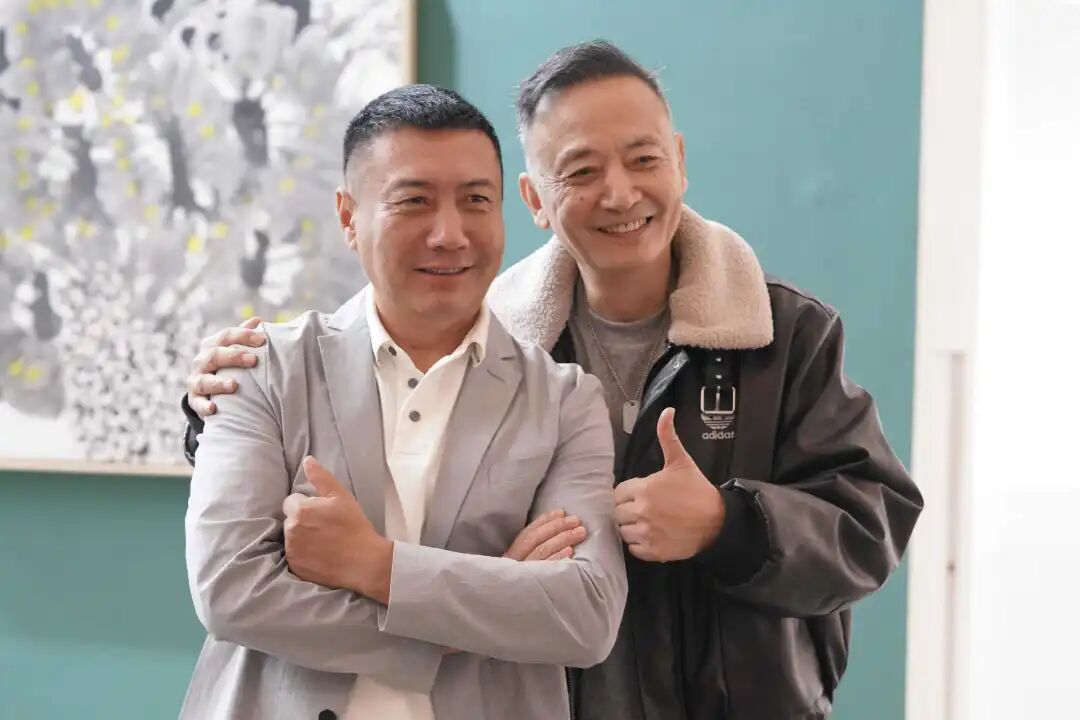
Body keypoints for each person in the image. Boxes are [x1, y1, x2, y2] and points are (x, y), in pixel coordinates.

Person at [184, 42, 923, 719]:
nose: (620, 193)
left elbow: (870, 522)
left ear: (679, 161)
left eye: (643, 159)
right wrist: (217, 415)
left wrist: (727, 523)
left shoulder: (781, 333)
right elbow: (249, 554)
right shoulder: (497, 341)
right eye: (581, 172)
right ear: (535, 200)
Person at [181, 84, 626, 720]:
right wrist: (470, 619)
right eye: (413, 200)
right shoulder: (262, 369)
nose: (450, 234)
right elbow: (231, 591)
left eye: (476, 201)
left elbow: (585, 615)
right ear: (348, 217)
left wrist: (375, 565)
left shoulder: (564, 400)